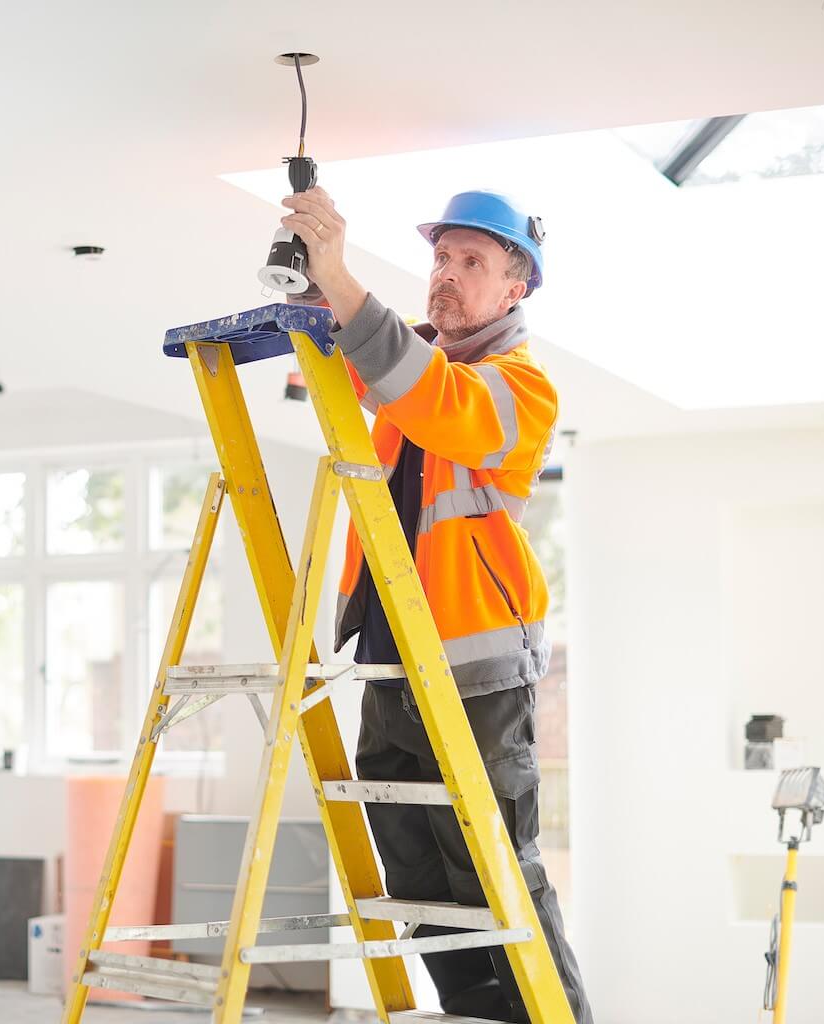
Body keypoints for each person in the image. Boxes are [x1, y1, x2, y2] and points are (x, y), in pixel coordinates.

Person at [277, 187, 591, 1023]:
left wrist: (343, 282)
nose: (446, 276)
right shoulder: (412, 366)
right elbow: (355, 372)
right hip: (390, 657)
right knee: (415, 871)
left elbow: (436, 402)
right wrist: (312, 283)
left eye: (472, 263)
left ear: (513, 289)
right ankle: (476, 1012)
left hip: (474, 670)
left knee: (489, 864)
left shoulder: (520, 389)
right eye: (442, 258)